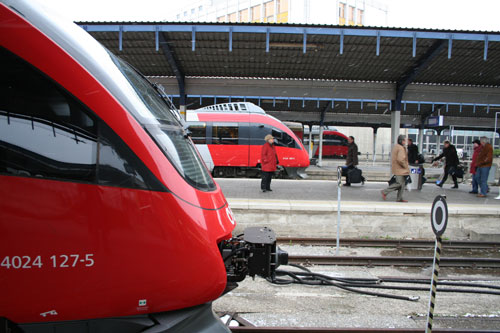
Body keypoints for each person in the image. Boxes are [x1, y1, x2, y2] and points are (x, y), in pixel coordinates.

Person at [381, 135, 410, 202]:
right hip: (400, 169)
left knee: (402, 184)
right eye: (404, 140)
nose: (405, 142)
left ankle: (399, 198)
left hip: (397, 168)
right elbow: (400, 159)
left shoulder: (396, 147)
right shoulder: (400, 148)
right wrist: (405, 166)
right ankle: (385, 191)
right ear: (401, 141)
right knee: (399, 183)